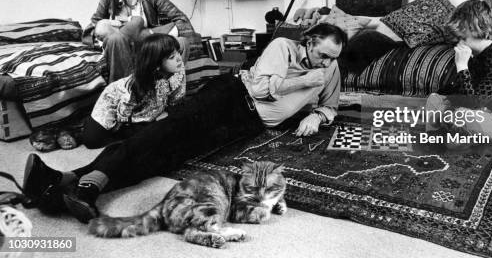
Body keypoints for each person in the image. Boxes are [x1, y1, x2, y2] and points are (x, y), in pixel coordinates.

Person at [22, 23, 347, 223]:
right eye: (324, 56)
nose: (329, 64)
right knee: (164, 132)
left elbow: (331, 105)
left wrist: (318, 116)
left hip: (246, 124)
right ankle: (86, 184)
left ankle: (62, 183)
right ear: (308, 42)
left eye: (334, 58)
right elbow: (265, 90)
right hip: (231, 95)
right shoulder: (283, 47)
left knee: (170, 154)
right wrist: (307, 80)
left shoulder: (330, 71)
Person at [425, 0, 492, 146]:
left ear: (480, 28)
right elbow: (460, 92)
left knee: (462, 115)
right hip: (484, 110)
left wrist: (462, 66)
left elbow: (473, 103)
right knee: (435, 99)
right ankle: (434, 139)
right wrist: (445, 101)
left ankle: (455, 136)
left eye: (461, 35)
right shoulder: (476, 54)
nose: (456, 41)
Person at [84, 0, 194, 82]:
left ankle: (165, 89)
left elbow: (181, 18)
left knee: (182, 43)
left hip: (146, 43)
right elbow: (94, 25)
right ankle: (124, 92)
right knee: (116, 38)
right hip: (120, 44)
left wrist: (153, 33)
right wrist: (105, 29)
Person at [81, 33, 185, 149]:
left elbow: (176, 100)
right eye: (171, 57)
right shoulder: (138, 83)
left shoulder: (178, 70)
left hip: (142, 114)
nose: (179, 59)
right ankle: (82, 125)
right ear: (156, 64)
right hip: (117, 106)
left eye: (179, 53)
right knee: (92, 141)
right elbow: (125, 113)